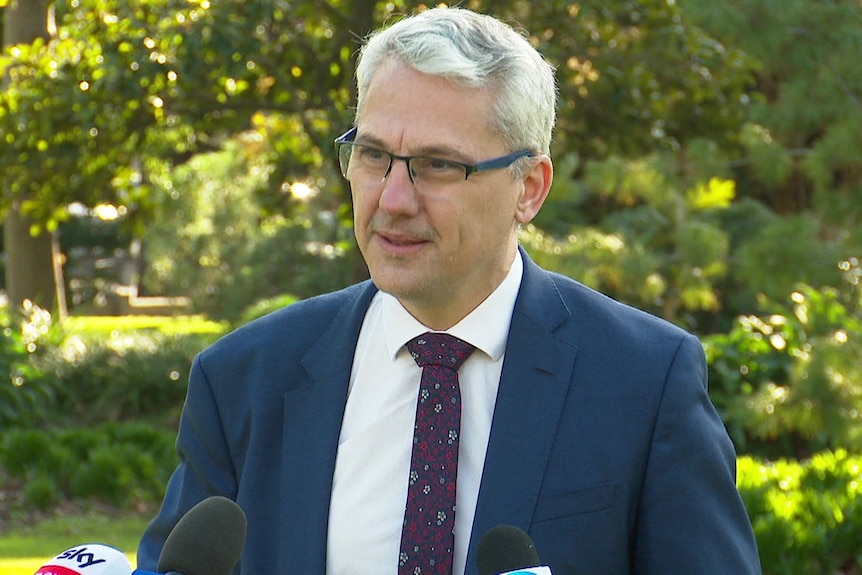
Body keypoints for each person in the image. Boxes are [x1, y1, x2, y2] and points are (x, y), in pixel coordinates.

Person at [137, 6, 762, 575]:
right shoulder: (244, 379)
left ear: (529, 188)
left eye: (439, 165)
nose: (393, 199)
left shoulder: (645, 381)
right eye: (374, 155)